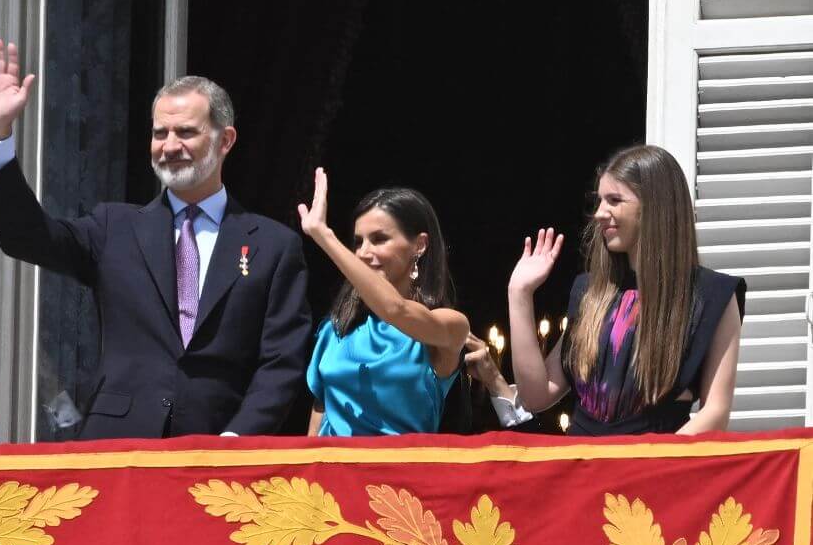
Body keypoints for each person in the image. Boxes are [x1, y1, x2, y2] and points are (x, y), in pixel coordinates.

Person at [0, 39, 312, 439]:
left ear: (226, 140)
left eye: (186, 132)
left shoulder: (272, 245)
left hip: (218, 449)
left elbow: (283, 361)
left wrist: (238, 439)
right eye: (159, 132)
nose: (169, 146)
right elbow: (25, 237)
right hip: (119, 447)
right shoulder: (115, 227)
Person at [508, 145, 745, 435]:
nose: (598, 213)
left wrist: (641, 464)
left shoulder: (712, 295)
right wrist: (519, 295)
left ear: (653, 206)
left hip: (653, 471)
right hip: (583, 470)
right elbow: (536, 395)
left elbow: (716, 412)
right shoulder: (591, 293)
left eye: (614, 200)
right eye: (599, 201)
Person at [299, 172, 469, 435]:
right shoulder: (336, 328)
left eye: (379, 239)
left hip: (398, 473)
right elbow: (318, 420)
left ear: (420, 245)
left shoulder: (450, 326)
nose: (363, 253)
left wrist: (324, 236)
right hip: (332, 471)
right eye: (358, 242)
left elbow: (395, 310)